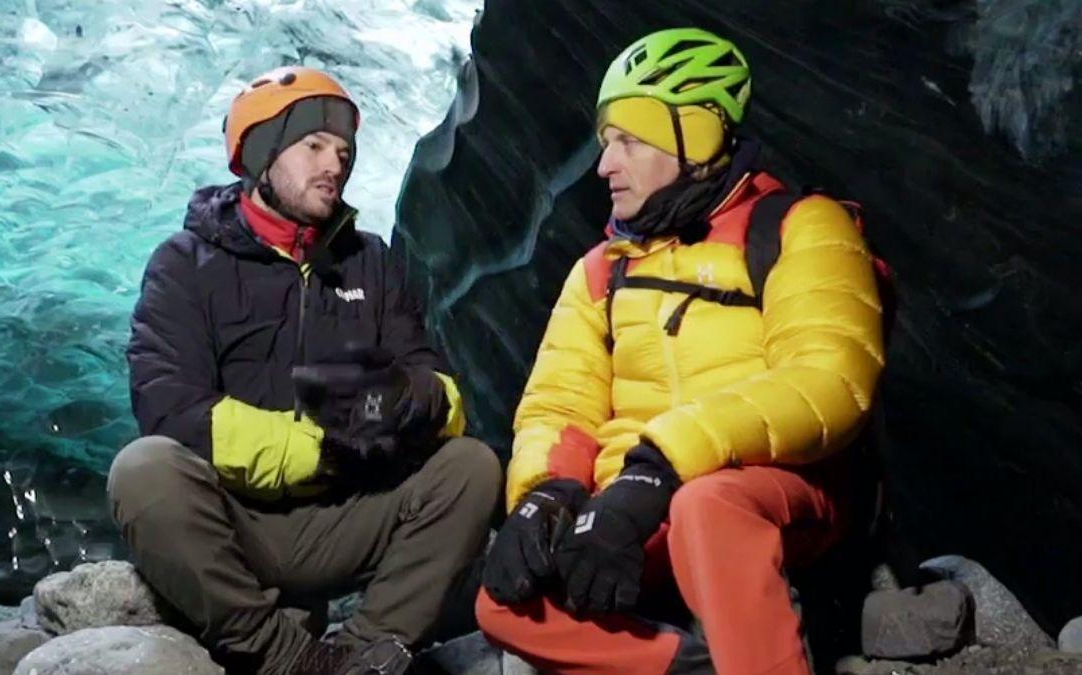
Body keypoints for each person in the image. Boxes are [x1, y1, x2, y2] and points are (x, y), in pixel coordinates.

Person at [476, 27, 886, 675]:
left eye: (630, 142)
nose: (606, 163)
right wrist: (545, 493)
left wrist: (660, 466)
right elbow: (560, 402)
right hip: (630, 508)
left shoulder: (798, 226)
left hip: (776, 490)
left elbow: (830, 382)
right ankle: (700, 662)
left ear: (695, 139)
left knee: (707, 505)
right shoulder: (599, 271)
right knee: (501, 603)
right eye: (607, 142)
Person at [106, 65, 502, 675]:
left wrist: (402, 402)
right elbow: (169, 408)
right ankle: (286, 655)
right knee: (143, 472)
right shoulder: (184, 263)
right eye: (313, 145)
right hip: (235, 521)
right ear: (261, 154)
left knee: (470, 466)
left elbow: (438, 388)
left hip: (344, 516)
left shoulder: (369, 259)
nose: (335, 163)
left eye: (343, 150)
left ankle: (368, 650)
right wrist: (319, 449)